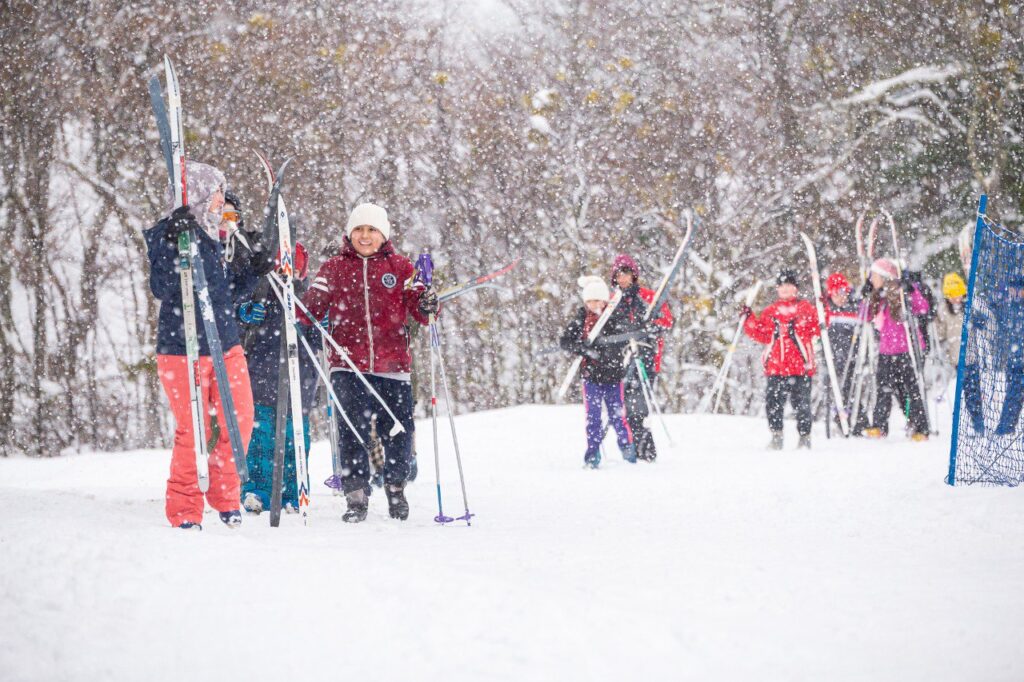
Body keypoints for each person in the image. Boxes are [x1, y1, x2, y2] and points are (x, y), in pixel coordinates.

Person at [299, 203, 434, 523]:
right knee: (352, 431)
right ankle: (356, 496)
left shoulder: (400, 267)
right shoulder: (334, 268)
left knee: (399, 430)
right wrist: (303, 307)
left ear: (383, 234)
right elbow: (310, 310)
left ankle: (396, 488)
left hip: (393, 365)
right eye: (358, 229)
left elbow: (421, 311)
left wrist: (428, 303)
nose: (364, 236)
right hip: (347, 365)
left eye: (372, 230)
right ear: (349, 233)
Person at [143, 161, 256, 530]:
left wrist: (254, 268)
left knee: (239, 420)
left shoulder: (216, 236)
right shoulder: (167, 232)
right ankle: (184, 507)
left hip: (225, 343)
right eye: (217, 192)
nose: (222, 199)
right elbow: (162, 287)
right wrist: (171, 242)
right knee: (193, 430)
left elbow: (227, 293)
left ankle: (225, 495)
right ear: (200, 195)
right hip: (182, 347)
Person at [236, 241, 321, 514]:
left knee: (295, 441)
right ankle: (256, 490)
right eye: (281, 269)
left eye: (293, 269)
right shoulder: (259, 295)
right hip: (261, 382)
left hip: (299, 384)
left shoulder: (308, 301)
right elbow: (237, 333)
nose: (286, 275)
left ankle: (294, 493)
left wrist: (323, 325)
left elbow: (320, 341)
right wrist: (244, 316)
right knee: (261, 441)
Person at [559, 276, 637, 468]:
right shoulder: (581, 318)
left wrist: (604, 349)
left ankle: (628, 449)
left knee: (617, 417)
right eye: (590, 301)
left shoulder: (614, 317)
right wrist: (583, 348)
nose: (594, 305)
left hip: (613, 376)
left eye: (598, 300)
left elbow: (622, 338)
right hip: (591, 377)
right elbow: (565, 341)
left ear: (604, 301)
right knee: (593, 418)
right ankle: (592, 454)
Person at [742, 269, 819, 450]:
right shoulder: (771, 311)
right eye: (781, 285)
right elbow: (760, 333)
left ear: (795, 288)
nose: (785, 288)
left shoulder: (805, 309)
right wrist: (748, 319)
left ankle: (805, 437)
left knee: (802, 405)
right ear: (777, 288)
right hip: (776, 367)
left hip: (801, 367)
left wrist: (824, 309)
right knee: (773, 403)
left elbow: (818, 326)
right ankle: (776, 435)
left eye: (789, 285)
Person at [609, 254, 673, 462]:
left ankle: (644, 449)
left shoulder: (648, 297)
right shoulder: (613, 302)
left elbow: (667, 321)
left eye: (626, 274)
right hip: (621, 359)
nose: (622, 279)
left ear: (633, 275)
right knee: (623, 405)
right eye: (619, 275)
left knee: (638, 403)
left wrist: (652, 327)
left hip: (645, 357)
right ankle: (632, 448)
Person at [861, 258, 930, 441]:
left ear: (885, 277)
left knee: (910, 391)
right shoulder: (878, 298)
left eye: (875, 276)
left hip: (906, 350)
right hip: (886, 352)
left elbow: (922, 308)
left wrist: (911, 290)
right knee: (883, 390)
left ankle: (920, 427)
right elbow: (864, 317)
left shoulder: (901, 294)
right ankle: (879, 425)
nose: (872, 279)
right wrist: (866, 297)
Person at [935, 272, 983, 433]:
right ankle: (975, 423)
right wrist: (934, 323)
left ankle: (978, 424)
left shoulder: (969, 308)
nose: (956, 299)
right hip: (956, 360)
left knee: (973, 393)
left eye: (958, 294)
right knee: (968, 394)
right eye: (952, 295)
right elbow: (940, 334)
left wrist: (979, 320)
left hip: (972, 358)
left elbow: (984, 324)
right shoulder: (944, 311)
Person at [823, 272, 869, 435]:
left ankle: (857, 422)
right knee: (835, 391)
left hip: (851, 359)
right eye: (836, 293)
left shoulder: (855, 308)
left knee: (849, 390)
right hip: (832, 359)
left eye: (843, 292)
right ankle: (842, 421)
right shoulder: (826, 310)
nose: (840, 297)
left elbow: (866, 322)